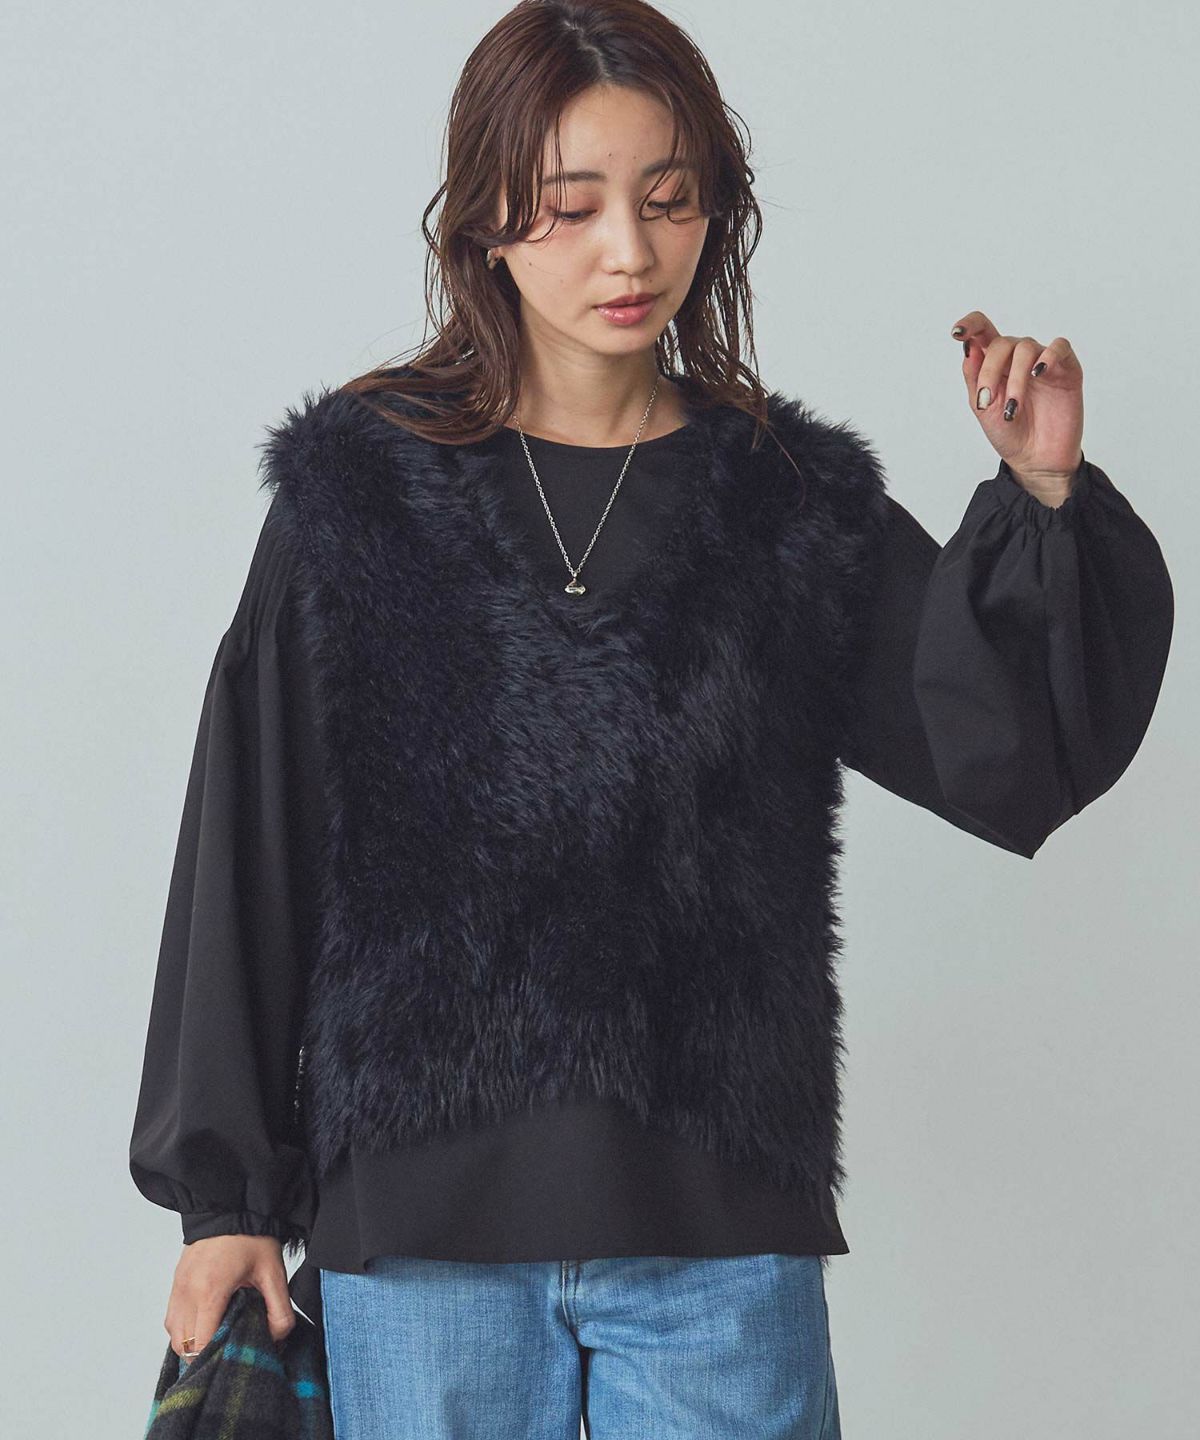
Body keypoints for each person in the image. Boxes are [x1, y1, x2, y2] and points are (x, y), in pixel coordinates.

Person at [128, 3, 1174, 1437]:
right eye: (572, 208)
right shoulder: (361, 491)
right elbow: (250, 835)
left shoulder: (788, 504)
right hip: (422, 1235)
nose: (628, 252)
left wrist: (1044, 496)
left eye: (669, 200)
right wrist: (225, 1201)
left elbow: (1003, 749)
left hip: (717, 1235)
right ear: (485, 218)